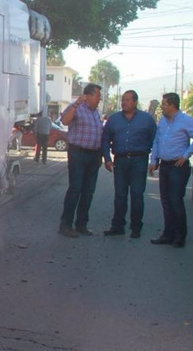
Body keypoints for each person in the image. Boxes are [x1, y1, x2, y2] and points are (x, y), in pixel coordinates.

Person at [148, 93, 193, 248]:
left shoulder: (186, 120)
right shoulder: (162, 121)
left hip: (178, 167)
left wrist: (186, 155)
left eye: (164, 104)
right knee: (166, 201)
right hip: (165, 165)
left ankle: (180, 236)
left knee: (175, 201)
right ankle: (168, 234)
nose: (162, 107)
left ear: (172, 105)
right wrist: (154, 160)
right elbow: (157, 140)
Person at [101, 90, 157, 238]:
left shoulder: (146, 119)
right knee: (120, 194)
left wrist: (154, 160)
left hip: (139, 160)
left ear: (135, 102)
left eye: (127, 100)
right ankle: (117, 226)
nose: (124, 102)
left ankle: (136, 227)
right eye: (123, 99)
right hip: (120, 161)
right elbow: (105, 139)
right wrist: (107, 159)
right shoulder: (114, 119)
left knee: (137, 194)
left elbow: (155, 140)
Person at [58, 83, 103, 238]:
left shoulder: (96, 112)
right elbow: (64, 121)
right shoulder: (76, 107)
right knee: (75, 189)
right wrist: (76, 104)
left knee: (88, 192)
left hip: (93, 155)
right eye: (97, 95)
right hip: (78, 154)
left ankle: (81, 224)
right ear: (87, 96)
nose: (99, 99)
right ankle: (65, 225)